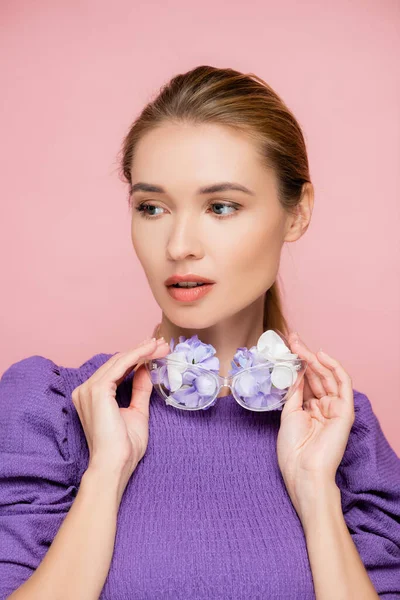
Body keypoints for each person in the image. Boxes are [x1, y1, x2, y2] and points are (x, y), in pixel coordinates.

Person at [0, 65, 399, 600]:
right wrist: (104, 475)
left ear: (297, 213)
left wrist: (316, 491)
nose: (179, 244)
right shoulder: (53, 410)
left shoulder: (340, 431)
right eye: (152, 208)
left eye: (222, 206)